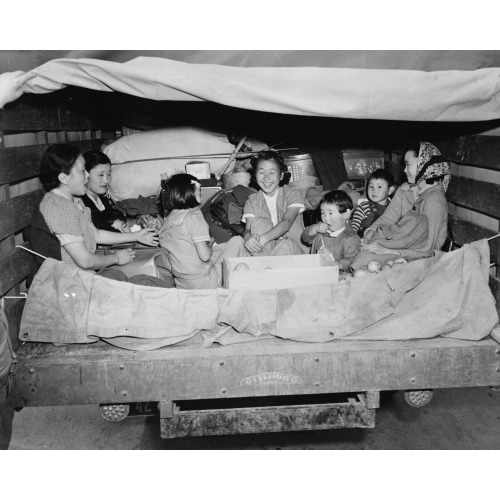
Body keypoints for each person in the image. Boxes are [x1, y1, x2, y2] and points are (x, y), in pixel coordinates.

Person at [39, 144, 159, 271]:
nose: (87, 175)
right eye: (82, 171)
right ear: (63, 178)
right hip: (75, 282)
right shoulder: (61, 208)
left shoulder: (74, 201)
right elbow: (85, 261)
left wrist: (136, 236)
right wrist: (116, 258)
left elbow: (96, 235)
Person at [358, 141, 450, 263]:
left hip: (418, 258)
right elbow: (389, 217)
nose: (405, 170)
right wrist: (369, 233)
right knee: (358, 249)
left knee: (366, 259)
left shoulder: (434, 201)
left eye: (408, 165)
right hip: (398, 243)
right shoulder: (405, 188)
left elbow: (428, 248)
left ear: (424, 165)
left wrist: (388, 251)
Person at [159, 173, 244, 289]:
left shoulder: (166, 223)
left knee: (223, 246)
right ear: (188, 192)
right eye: (199, 191)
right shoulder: (194, 216)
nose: (201, 193)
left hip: (183, 284)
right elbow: (205, 256)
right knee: (237, 241)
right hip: (205, 282)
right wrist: (208, 243)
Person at [241, 151, 308, 256]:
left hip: (294, 253)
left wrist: (263, 239)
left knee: (284, 244)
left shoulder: (293, 193)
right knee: (260, 222)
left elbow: (286, 222)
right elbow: (247, 229)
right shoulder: (252, 200)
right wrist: (247, 237)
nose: (266, 178)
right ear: (255, 175)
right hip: (266, 251)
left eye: (272, 173)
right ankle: (262, 265)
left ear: (281, 176)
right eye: (261, 172)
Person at [301, 190, 361, 272]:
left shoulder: (352, 238)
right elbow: (305, 238)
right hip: (315, 272)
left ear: (346, 214)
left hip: (337, 277)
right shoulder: (321, 228)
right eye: (322, 213)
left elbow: (350, 262)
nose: (325, 218)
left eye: (330, 213)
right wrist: (315, 228)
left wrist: (331, 264)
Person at [80, 150, 124, 232]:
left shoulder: (102, 197)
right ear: (86, 174)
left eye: (109, 174)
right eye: (101, 175)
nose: (106, 181)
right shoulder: (81, 202)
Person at [350, 169, 395, 237]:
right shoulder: (363, 207)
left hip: (382, 242)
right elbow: (354, 226)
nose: (374, 190)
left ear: (390, 190)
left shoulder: (393, 208)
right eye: (371, 186)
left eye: (379, 187)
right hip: (362, 239)